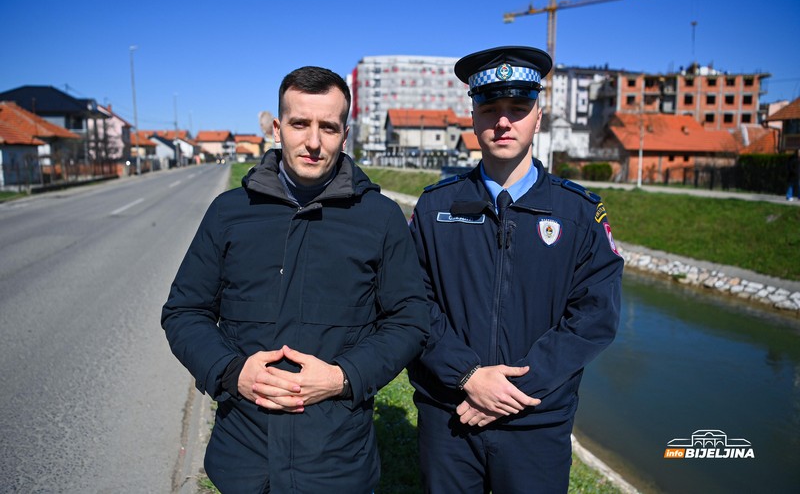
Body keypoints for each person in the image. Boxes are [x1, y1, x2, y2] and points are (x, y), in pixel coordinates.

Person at [162, 66, 429, 493]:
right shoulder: (229, 212)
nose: (313, 141)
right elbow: (184, 312)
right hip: (244, 459)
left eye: (328, 126)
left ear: (345, 134)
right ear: (276, 127)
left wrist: (344, 377)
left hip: (337, 463)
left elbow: (411, 318)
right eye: (299, 123)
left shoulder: (379, 218)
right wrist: (232, 372)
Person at [408, 46, 624, 493]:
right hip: (450, 416)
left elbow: (594, 317)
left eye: (518, 108)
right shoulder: (434, 208)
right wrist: (468, 376)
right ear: (472, 115)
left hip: (535, 422)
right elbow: (411, 303)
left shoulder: (579, 212)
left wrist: (512, 391)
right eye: (490, 107)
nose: (504, 121)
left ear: (538, 117)